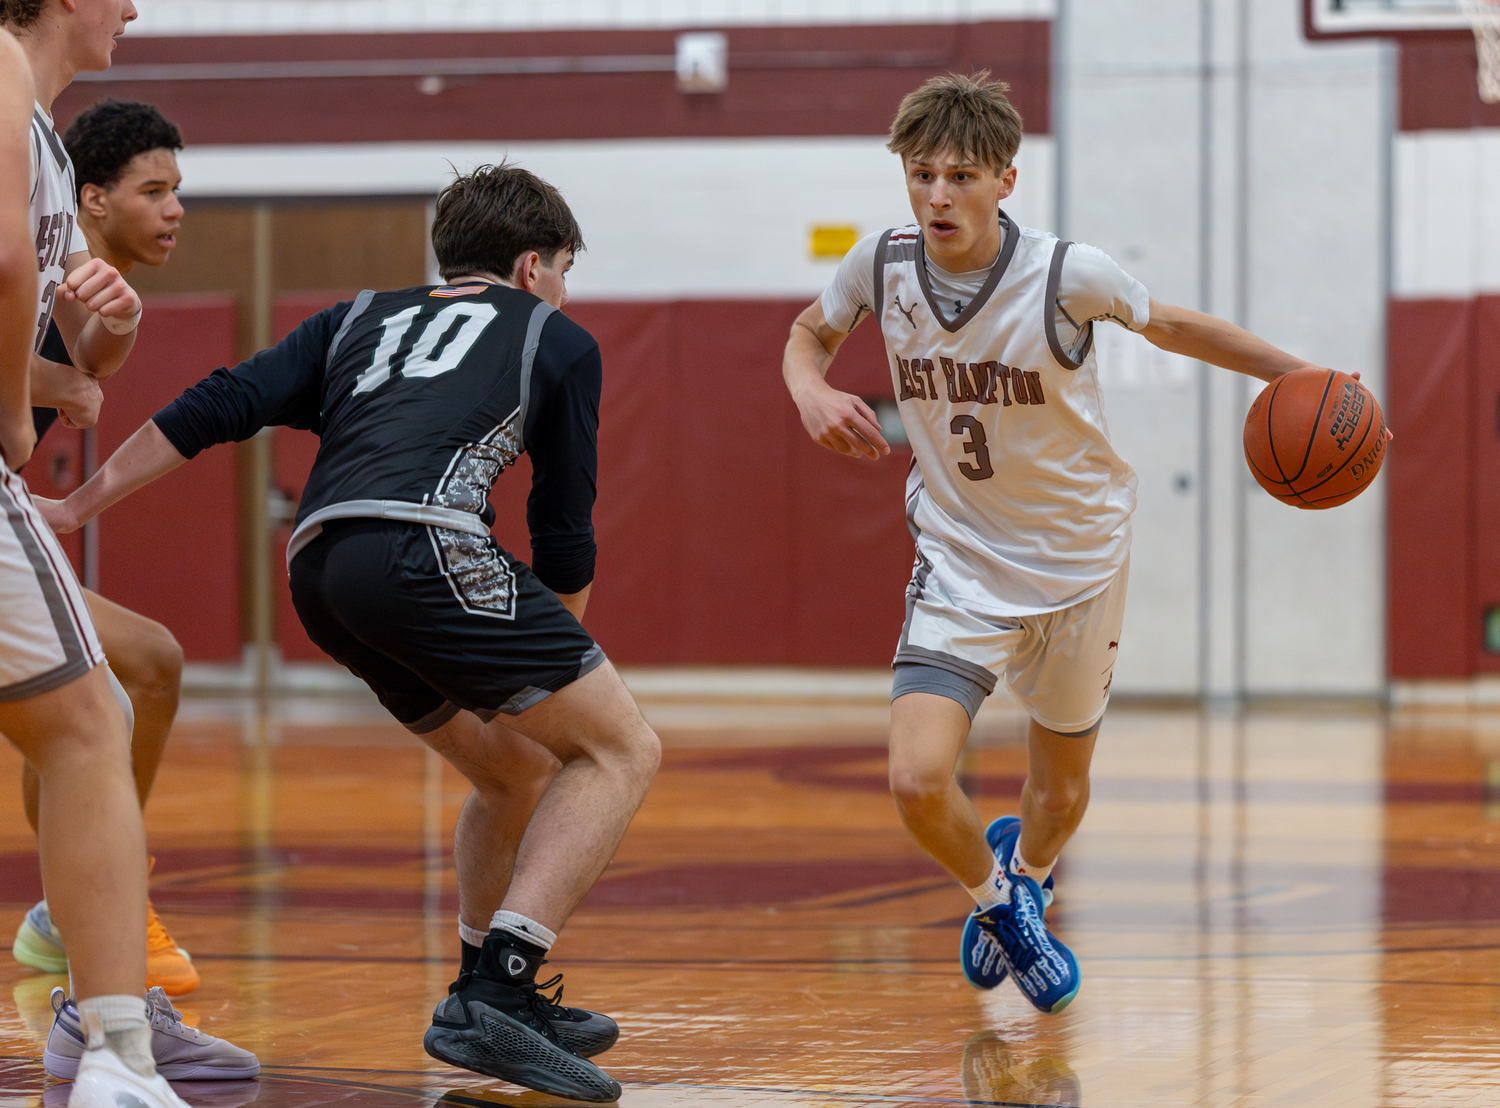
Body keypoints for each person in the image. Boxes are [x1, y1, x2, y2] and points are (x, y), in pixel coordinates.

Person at [40, 162, 662, 1104]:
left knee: (510, 769)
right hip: (427, 547)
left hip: (321, 566)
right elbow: (564, 525)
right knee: (620, 750)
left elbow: (218, 403)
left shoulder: (359, 314)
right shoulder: (555, 336)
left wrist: (81, 502)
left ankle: (487, 992)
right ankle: (496, 991)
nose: (565, 288)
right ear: (534, 266)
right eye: (566, 269)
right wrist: (557, 669)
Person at [782, 72, 1359, 1013]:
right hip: (959, 562)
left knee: (1057, 797)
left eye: (959, 176)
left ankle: (1034, 873)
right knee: (918, 778)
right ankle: (1002, 906)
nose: (936, 196)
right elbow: (809, 334)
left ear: (1005, 180)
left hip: (1081, 561)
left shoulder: (1063, 273)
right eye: (920, 174)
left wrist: (1305, 374)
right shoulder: (880, 265)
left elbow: (1174, 325)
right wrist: (807, 386)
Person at [0, 17, 190, 1108]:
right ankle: (108, 1030)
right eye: (156, 189)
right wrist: (33, 407)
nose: (137, 10)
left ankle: (98, 985)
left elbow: (90, 355)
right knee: (95, 713)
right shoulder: (8, 80)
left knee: (107, 699)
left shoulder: (48, 146)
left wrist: (96, 333)